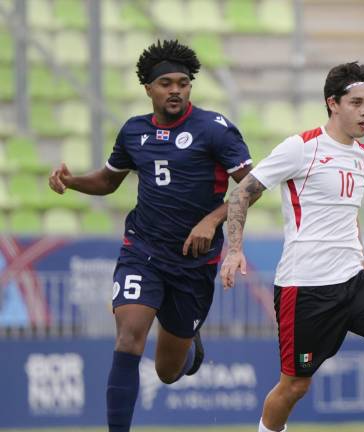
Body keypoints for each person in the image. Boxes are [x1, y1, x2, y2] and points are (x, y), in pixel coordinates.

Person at [220, 62, 364, 432]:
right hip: (306, 288)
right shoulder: (301, 148)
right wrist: (234, 249)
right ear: (333, 103)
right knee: (295, 386)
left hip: (354, 281)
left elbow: (349, 215)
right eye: (356, 103)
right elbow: (242, 193)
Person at [48, 40, 253, 432]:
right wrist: (72, 182)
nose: (175, 90)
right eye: (165, 83)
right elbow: (109, 181)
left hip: (193, 263)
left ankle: (189, 349)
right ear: (148, 88)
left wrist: (211, 221)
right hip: (142, 250)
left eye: (183, 83)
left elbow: (251, 186)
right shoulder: (134, 131)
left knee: (167, 372)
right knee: (129, 338)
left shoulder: (215, 130)